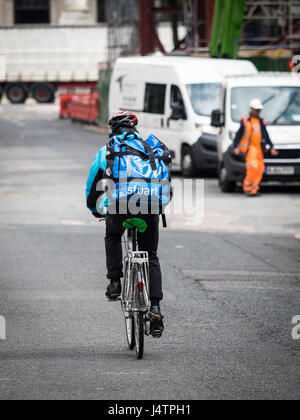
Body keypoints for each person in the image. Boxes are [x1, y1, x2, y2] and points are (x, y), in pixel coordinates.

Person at [86, 111, 170, 338]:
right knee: (151, 255)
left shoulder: (109, 150)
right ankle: (155, 310)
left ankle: (114, 282)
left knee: (112, 235)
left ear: (113, 130)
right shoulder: (150, 148)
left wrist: (94, 208)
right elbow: (165, 182)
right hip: (149, 208)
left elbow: (93, 182)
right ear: (135, 129)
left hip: (121, 208)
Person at [233, 98, 279, 197]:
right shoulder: (246, 121)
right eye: (256, 110)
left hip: (259, 150)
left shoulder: (261, 122)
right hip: (250, 150)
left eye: (259, 110)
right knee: (252, 168)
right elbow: (238, 135)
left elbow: (266, 136)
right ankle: (247, 188)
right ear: (252, 109)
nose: (258, 112)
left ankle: (254, 190)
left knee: (260, 169)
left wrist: (271, 147)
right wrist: (236, 146)